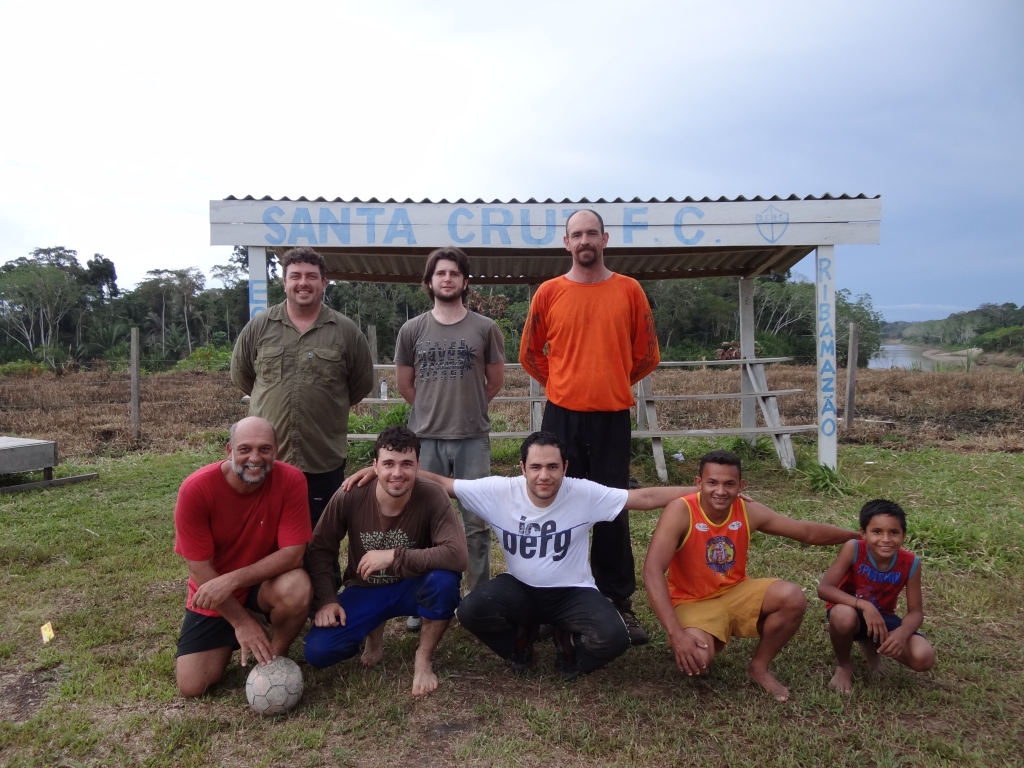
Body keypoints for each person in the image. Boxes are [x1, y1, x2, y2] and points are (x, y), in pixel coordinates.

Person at [343, 431, 697, 680]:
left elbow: (644, 499)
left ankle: (569, 647)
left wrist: (702, 492)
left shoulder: (584, 493)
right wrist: (383, 472)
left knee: (615, 638)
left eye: (553, 467)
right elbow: (446, 485)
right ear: (522, 467)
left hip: (573, 591)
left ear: (565, 467)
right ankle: (519, 645)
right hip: (520, 589)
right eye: (536, 467)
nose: (544, 476)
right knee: (470, 610)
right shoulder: (500, 491)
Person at [519, 209, 660, 645]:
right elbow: (529, 354)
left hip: (612, 418)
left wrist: (610, 381)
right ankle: (553, 599)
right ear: (566, 243)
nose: (585, 241)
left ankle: (618, 602)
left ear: (605, 239)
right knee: (555, 504)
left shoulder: (629, 291)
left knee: (612, 509)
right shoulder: (548, 292)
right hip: (561, 417)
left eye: (592, 233)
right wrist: (563, 385)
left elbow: (647, 354)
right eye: (576, 234)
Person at [643, 450, 860, 702]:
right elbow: (652, 571)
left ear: (741, 486)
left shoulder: (747, 510)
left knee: (792, 597)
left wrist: (856, 536)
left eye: (729, 484)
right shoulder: (681, 510)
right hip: (691, 601)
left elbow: (805, 532)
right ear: (698, 483)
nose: (721, 491)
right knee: (698, 665)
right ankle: (701, 636)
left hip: (735, 592)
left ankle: (758, 668)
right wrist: (676, 635)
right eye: (712, 483)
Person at [231, 246, 375, 589]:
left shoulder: (344, 330)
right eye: (295, 276)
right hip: (266, 458)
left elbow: (360, 384)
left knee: (320, 536)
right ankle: (263, 599)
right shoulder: (260, 326)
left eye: (311, 276)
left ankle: (323, 601)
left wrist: (326, 404)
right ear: (284, 282)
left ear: (324, 282)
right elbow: (243, 375)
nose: (303, 283)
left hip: (321, 455)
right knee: (261, 532)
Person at [303, 426, 468, 696]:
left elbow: (457, 554)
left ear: (418, 465)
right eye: (388, 464)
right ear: (375, 465)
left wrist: (394, 556)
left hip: (411, 585)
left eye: (406, 464)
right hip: (366, 587)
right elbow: (320, 548)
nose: (397, 473)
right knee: (318, 652)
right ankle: (373, 634)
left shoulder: (432, 494)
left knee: (444, 581)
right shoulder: (350, 494)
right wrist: (327, 600)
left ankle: (423, 658)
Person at [395, 246, 505, 631]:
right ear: (429, 282)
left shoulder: (485, 328)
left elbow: (495, 381)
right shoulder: (412, 330)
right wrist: (432, 409)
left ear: (464, 281)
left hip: (473, 437)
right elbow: (405, 383)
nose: (447, 279)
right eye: (440, 273)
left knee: (476, 522)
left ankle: (477, 601)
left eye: (454, 273)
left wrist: (465, 408)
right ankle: (423, 599)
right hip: (425, 440)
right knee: (421, 523)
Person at [173, 417, 313, 697]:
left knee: (297, 586)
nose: (255, 458)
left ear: (276, 451)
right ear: (229, 451)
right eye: (245, 449)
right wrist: (241, 622)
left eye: (264, 449)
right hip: (214, 587)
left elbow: (293, 555)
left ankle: (274, 659)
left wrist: (234, 579)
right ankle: (246, 624)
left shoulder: (292, 480)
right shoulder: (196, 489)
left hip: (261, 583)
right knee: (193, 685)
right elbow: (199, 567)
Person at [817, 499, 936, 693]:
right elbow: (825, 589)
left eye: (894, 532)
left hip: (882, 618)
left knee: (923, 657)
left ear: (903, 535)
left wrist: (902, 633)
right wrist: (864, 606)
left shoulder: (911, 563)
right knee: (843, 615)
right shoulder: (854, 548)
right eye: (877, 531)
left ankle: (871, 645)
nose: (886, 539)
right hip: (849, 610)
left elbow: (916, 613)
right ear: (864, 533)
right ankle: (844, 665)